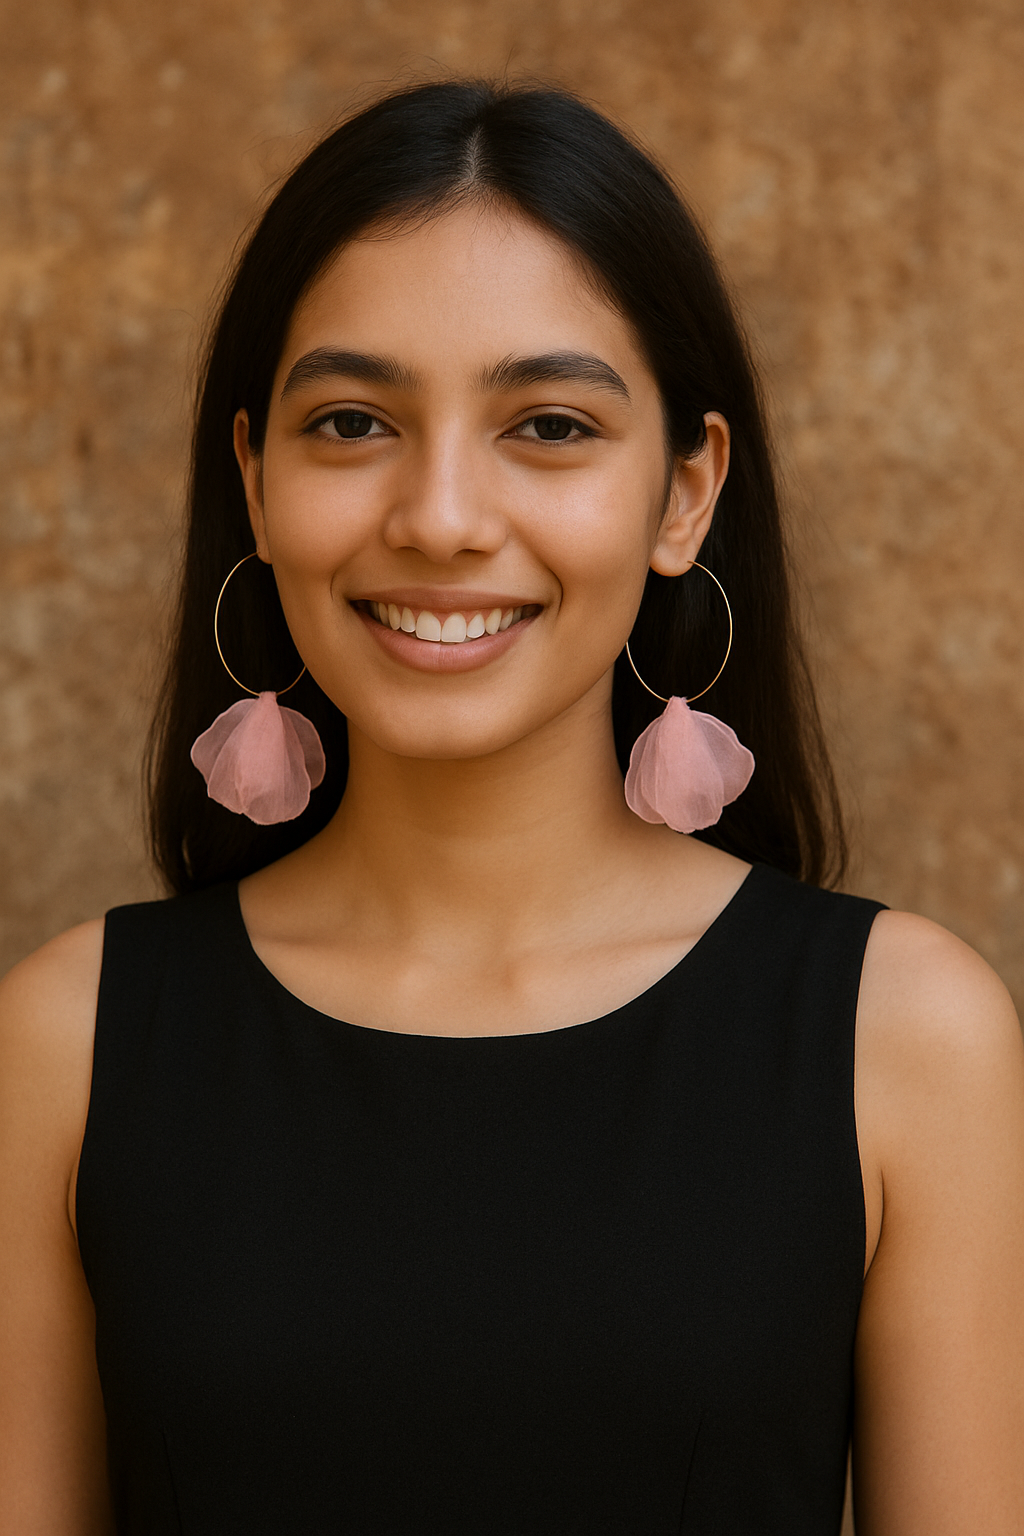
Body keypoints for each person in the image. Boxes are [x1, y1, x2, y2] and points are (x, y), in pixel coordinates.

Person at [0, 78, 1021, 1536]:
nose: (440, 517)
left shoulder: (905, 1038)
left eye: (547, 426)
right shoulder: (60, 1049)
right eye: (352, 422)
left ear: (685, 495)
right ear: (256, 475)